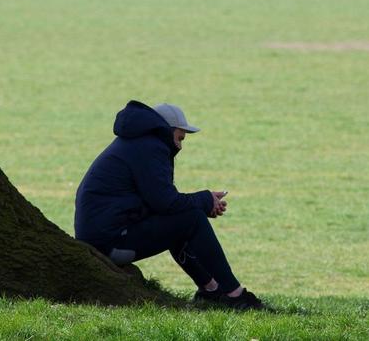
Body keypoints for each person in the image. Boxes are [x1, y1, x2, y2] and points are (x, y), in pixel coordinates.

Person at [74, 100, 263, 310]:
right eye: (180, 138)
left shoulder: (137, 143)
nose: (180, 146)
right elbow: (166, 203)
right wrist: (204, 200)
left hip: (103, 238)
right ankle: (235, 296)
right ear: (167, 130)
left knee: (183, 219)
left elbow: (161, 203)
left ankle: (211, 290)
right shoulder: (150, 147)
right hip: (110, 244)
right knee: (191, 219)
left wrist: (202, 202)